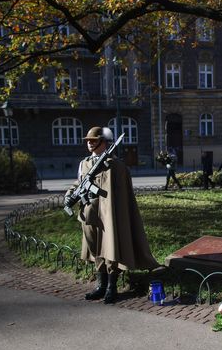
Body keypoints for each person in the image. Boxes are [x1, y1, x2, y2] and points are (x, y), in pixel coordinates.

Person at [64, 127, 162, 304]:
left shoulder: (116, 165)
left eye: (93, 140)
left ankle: (111, 287)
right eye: (88, 140)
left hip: (109, 214)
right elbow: (78, 182)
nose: (89, 143)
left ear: (103, 142)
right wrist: (69, 195)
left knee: (110, 248)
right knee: (95, 249)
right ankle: (100, 286)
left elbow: (123, 194)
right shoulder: (84, 163)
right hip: (89, 212)